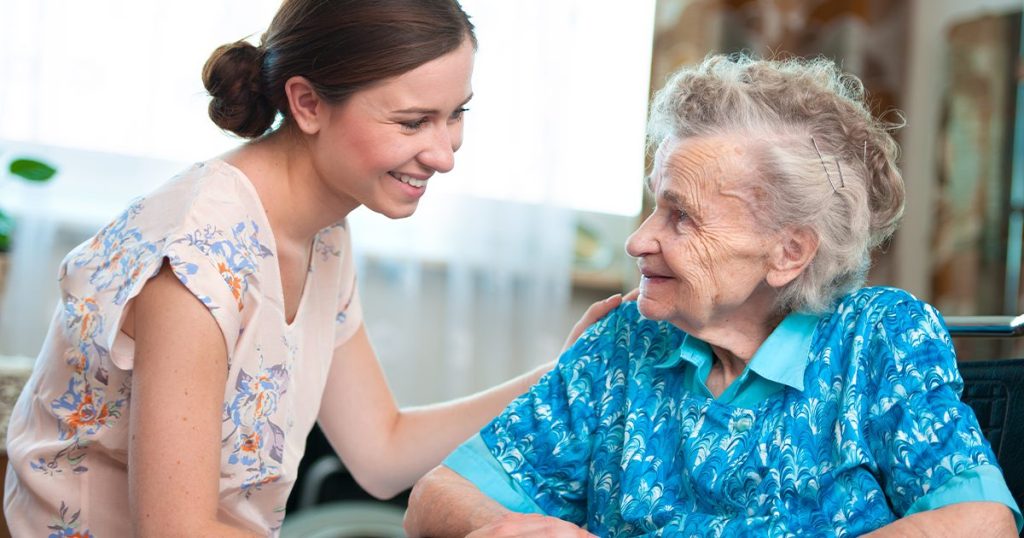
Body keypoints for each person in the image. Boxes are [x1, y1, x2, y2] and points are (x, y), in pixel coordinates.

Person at [2, 1, 624, 536]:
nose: (443, 154)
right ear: (306, 103)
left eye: (457, 114)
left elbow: (381, 450)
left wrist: (564, 374)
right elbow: (175, 531)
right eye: (412, 122)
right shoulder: (197, 258)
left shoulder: (322, 234)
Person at [403, 53, 1024, 537]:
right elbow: (434, 500)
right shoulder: (626, 342)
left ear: (789, 253)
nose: (639, 242)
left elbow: (977, 521)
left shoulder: (877, 337)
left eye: (682, 217)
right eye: (654, 204)